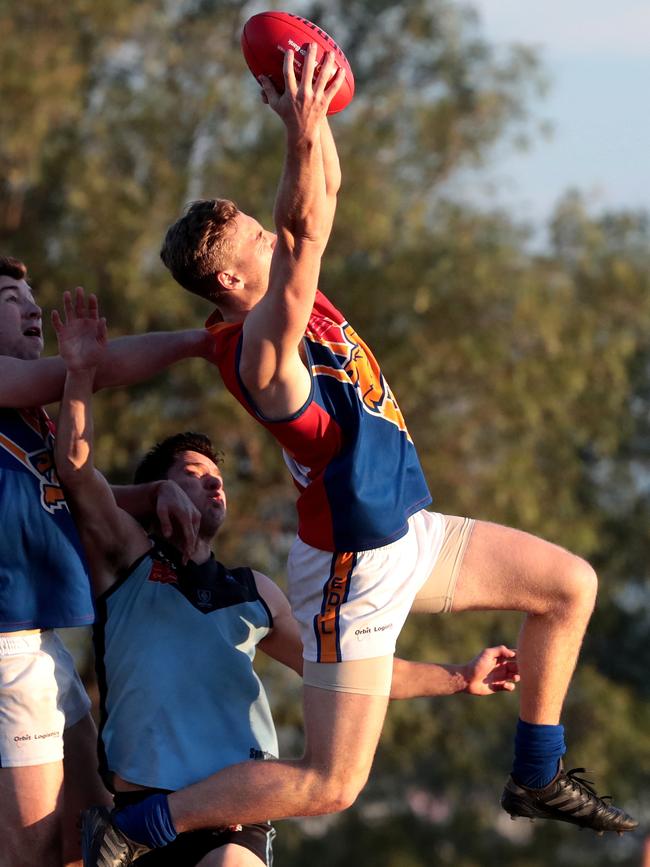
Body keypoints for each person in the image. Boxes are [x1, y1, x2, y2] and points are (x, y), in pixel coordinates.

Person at [86, 43, 637, 866]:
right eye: (253, 239)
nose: (271, 237)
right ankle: (143, 824)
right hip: (353, 564)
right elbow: (307, 223)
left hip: (405, 530)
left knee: (568, 585)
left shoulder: (240, 319)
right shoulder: (264, 348)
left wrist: (305, 110)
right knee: (330, 782)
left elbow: (319, 200)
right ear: (238, 282)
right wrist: (298, 130)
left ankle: (536, 773)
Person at [50, 289, 520, 867]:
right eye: (195, 474)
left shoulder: (254, 592)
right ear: (159, 492)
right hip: (136, 815)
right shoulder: (126, 558)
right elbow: (75, 472)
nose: (213, 484)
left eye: (218, 477)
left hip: (233, 814)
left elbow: (354, 677)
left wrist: (457, 676)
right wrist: (78, 374)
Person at [0, 256, 215, 867]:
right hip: (7, 651)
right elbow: (99, 368)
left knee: (93, 842)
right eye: (12, 296)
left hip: (39, 648)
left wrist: (148, 495)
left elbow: (62, 501)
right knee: (34, 854)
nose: (33, 308)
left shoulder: (26, 414)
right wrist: (205, 342)